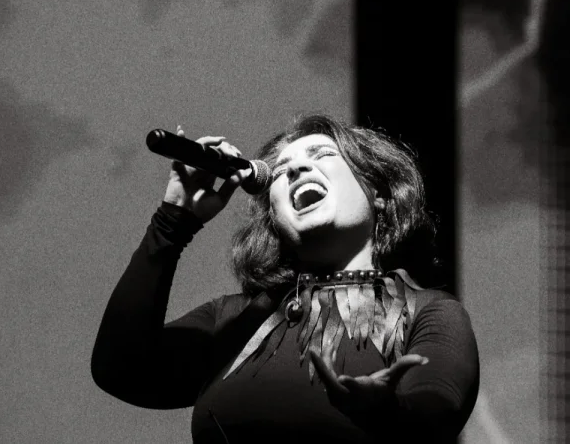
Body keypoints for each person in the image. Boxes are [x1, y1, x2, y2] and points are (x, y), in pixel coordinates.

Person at [91, 114, 479, 443]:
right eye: (279, 171)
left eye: (323, 155)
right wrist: (173, 221)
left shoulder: (427, 310)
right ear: (274, 217)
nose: (294, 169)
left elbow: (438, 402)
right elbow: (120, 368)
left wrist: (390, 410)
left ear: (377, 192)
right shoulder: (235, 320)